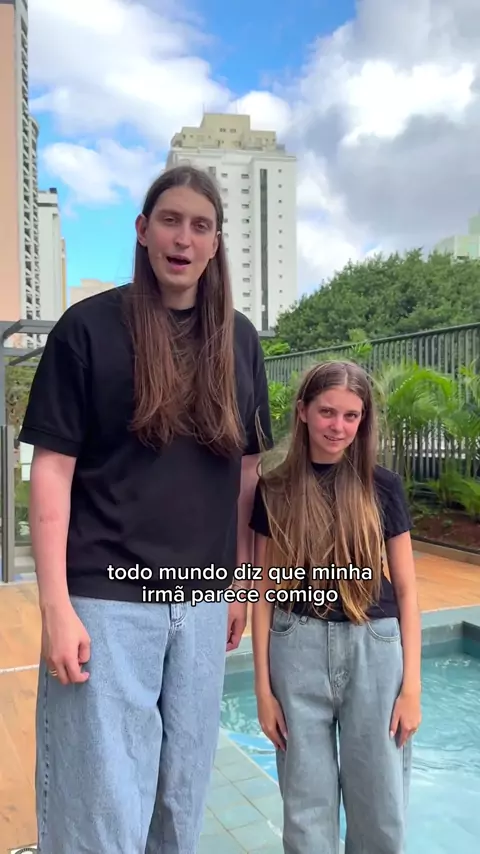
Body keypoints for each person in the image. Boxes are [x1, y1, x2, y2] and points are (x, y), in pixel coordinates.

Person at [19, 164, 273, 854]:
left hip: (201, 603)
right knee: (98, 814)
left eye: (200, 226)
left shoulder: (240, 341)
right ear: (142, 230)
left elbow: (247, 475)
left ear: (216, 243)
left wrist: (240, 586)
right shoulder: (87, 329)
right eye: (170, 220)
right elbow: (52, 471)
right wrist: (55, 606)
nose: (183, 238)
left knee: (179, 803)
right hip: (105, 601)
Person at [249, 360, 421, 854]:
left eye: (351, 416)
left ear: (363, 421)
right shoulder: (275, 488)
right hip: (296, 650)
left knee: (380, 808)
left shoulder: (382, 486)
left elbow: (407, 590)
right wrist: (263, 690)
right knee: (305, 812)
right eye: (327, 412)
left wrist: (412, 687)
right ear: (302, 411)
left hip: (375, 650)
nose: (338, 426)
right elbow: (263, 590)